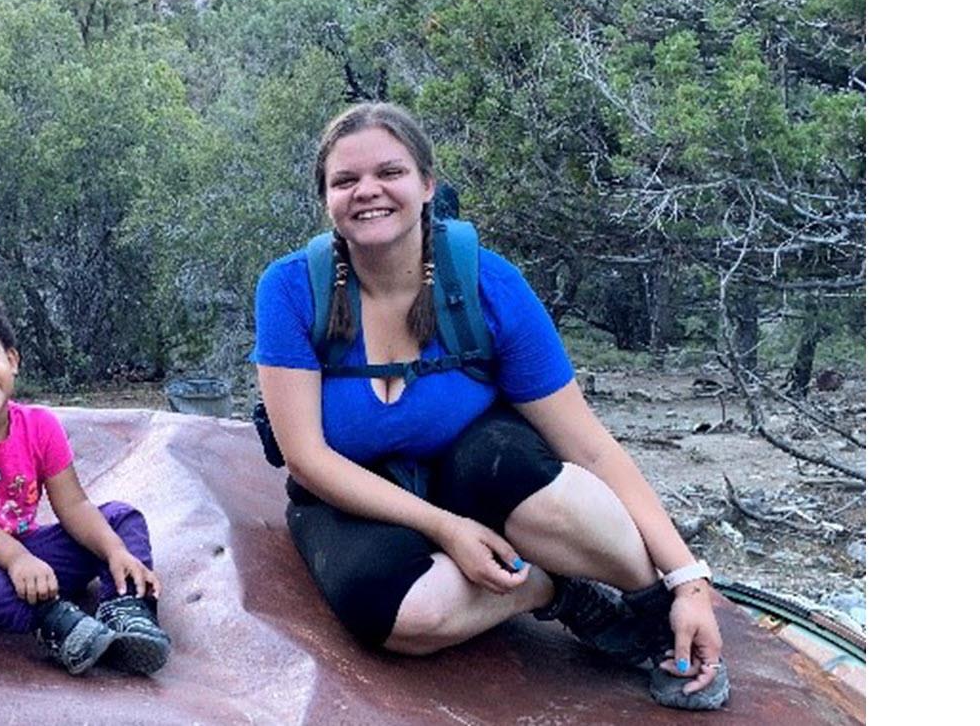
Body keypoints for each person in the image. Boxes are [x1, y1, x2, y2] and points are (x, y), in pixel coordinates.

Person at [251, 102, 728, 710]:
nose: (367, 191)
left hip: (474, 471)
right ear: (327, 200)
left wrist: (687, 580)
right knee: (400, 613)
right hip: (353, 491)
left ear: (427, 185)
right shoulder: (292, 290)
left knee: (535, 480)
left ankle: (650, 613)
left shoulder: (486, 284)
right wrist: (447, 530)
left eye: (389, 173)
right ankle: (549, 589)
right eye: (345, 181)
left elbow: (587, 446)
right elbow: (309, 459)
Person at [0, 277, 171, 676]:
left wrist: (113, 551)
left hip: (29, 562)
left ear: (12, 360)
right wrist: (17, 559)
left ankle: (127, 609)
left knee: (119, 520)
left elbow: (73, 505)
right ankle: (52, 622)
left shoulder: (40, 425)